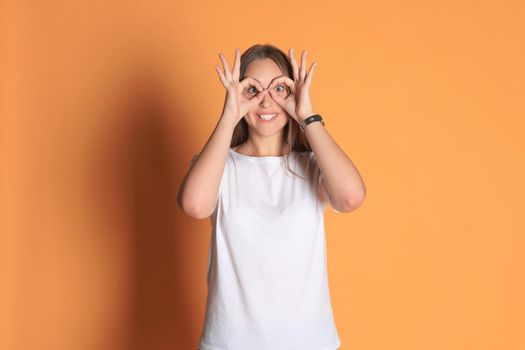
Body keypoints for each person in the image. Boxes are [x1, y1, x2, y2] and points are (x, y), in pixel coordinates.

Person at [178, 43, 366, 350]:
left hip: (309, 342)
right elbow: (195, 205)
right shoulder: (219, 166)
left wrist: (307, 114)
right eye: (253, 90)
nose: (266, 101)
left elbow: (351, 197)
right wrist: (229, 115)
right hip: (230, 343)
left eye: (279, 88)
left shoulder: (313, 164)